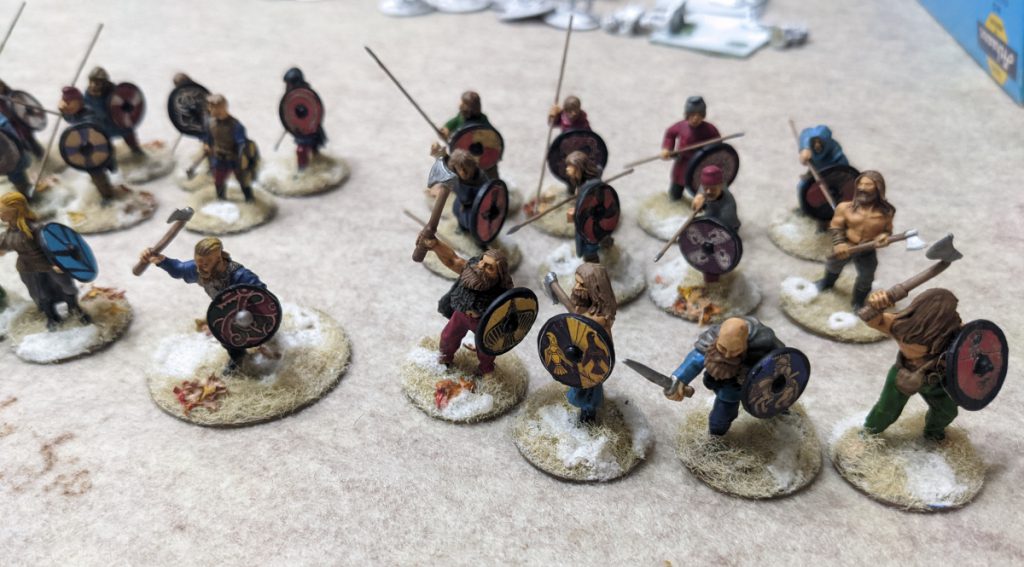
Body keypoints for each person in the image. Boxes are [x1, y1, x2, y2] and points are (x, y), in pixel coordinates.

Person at [140, 237, 265, 372]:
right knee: (225, 337)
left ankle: (262, 351)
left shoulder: (239, 275)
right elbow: (179, 270)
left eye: (206, 262)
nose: (201, 266)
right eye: (198, 261)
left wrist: (248, 308)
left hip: (247, 314)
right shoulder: (199, 269)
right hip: (224, 313)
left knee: (236, 334)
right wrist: (161, 260)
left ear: (218, 258)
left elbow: (261, 293)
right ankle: (238, 358)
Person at [860, 288, 962, 441]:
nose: (953, 314)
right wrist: (875, 306)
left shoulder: (954, 328)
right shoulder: (903, 326)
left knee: (946, 411)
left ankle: (933, 434)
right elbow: (873, 319)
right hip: (903, 376)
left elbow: (971, 341)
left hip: (935, 379)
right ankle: (868, 435)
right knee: (886, 411)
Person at [416, 231, 513, 376]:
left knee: (486, 349)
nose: (481, 266)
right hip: (461, 314)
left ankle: (486, 369)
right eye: (482, 261)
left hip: (484, 323)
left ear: (498, 274)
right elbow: (452, 260)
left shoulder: (502, 291)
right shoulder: (471, 269)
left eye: (489, 267)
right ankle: (445, 358)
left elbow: (510, 312)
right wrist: (435, 245)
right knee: (448, 337)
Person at [667, 317, 785, 435]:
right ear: (718, 339)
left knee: (777, 403)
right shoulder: (711, 341)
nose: (727, 356)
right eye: (722, 348)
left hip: (756, 389)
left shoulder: (764, 344)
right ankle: (716, 437)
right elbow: (696, 359)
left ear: (746, 343)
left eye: (735, 351)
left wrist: (780, 394)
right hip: (727, 388)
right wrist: (679, 379)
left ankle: (783, 411)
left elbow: (783, 364)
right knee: (719, 420)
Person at [0, 192, 90, 330]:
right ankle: (52, 317)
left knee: (66, 287)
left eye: (2, 211)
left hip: (48, 264)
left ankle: (75, 310)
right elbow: (4, 245)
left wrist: (61, 262)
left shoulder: (35, 229)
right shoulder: (8, 233)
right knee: (40, 294)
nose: (0, 214)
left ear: (15, 209)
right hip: (27, 268)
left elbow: (53, 244)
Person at [816, 170, 895, 309]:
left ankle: (858, 302)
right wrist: (839, 243)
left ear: (878, 188)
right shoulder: (844, 208)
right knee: (833, 264)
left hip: (867, 250)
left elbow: (887, 231)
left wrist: (884, 237)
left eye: (868, 185)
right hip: (847, 245)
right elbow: (836, 226)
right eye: (860, 184)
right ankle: (827, 283)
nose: (862, 188)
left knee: (867, 276)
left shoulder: (887, 212)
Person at [563, 262, 617, 423]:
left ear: (594, 288)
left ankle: (589, 416)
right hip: (579, 358)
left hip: (593, 361)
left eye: (581, 284)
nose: (576, 287)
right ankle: (585, 412)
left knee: (590, 391)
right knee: (579, 387)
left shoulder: (600, 318)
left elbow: (585, 323)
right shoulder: (583, 307)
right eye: (576, 282)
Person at [58, 86, 119, 203]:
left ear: (79, 102)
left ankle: (108, 197)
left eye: (69, 103)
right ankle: (105, 187)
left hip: (97, 150)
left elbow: (89, 129)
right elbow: (71, 118)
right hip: (86, 152)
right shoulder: (77, 113)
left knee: (99, 176)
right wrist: (64, 112)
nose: (66, 105)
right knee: (97, 175)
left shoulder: (89, 115)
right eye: (65, 102)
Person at [661, 96, 720, 200]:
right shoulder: (681, 126)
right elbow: (670, 134)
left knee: (700, 188)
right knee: (676, 186)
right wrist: (667, 149)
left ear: (703, 115)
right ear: (687, 115)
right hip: (683, 162)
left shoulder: (710, 129)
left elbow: (717, 144)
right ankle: (674, 199)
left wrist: (710, 154)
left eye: (699, 115)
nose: (695, 118)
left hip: (700, 164)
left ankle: (702, 204)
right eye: (692, 115)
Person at [202, 94, 255, 202]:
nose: (209, 110)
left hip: (234, 159)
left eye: (212, 107)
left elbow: (242, 144)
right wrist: (207, 145)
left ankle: (249, 200)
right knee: (219, 181)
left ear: (221, 107)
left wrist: (243, 159)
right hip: (219, 159)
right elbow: (208, 138)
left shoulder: (236, 126)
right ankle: (221, 200)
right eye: (209, 107)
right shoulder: (211, 123)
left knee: (243, 180)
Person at [82, 66, 144, 155]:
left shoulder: (115, 93)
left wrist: (127, 108)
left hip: (118, 124)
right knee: (104, 149)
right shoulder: (88, 96)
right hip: (100, 127)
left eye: (97, 83)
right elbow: (84, 111)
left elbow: (125, 103)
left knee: (129, 136)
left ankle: (136, 150)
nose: (93, 86)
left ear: (104, 83)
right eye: (91, 82)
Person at [563, 151, 608, 261]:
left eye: (570, 166)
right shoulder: (581, 182)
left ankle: (592, 261)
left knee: (590, 244)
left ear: (579, 167)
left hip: (591, 222)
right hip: (586, 220)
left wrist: (577, 212)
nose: (567, 169)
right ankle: (604, 244)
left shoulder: (591, 187)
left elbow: (594, 205)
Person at [282, 67, 327, 170]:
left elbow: (314, 110)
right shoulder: (291, 97)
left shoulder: (306, 95)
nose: (287, 86)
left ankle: (309, 166)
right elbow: (289, 111)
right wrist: (288, 123)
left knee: (306, 149)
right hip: (300, 129)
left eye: (289, 84)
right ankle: (303, 169)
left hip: (310, 128)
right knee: (302, 150)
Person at [0, 79, 44, 157]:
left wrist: (35, 113)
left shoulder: (14, 95)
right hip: (10, 127)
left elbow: (26, 108)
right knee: (21, 146)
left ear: (3, 86)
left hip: (22, 124)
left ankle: (42, 156)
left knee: (32, 142)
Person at [691, 165, 740, 232]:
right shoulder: (712, 188)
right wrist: (699, 195)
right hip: (711, 212)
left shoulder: (728, 210)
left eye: (713, 189)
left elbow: (726, 230)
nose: (708, 192)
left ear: (721, 186)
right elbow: (704, 187)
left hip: (726, 227)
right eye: (705, 188)